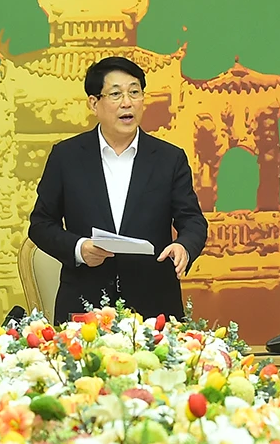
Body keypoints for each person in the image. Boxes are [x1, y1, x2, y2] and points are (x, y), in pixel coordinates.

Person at [27, 56, 208, 323]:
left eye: (135, 92)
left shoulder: (169, 159)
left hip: (154, 307)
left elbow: (192, 220)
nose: (127, 102)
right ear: (94, 103)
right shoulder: (66, 157)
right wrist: (79, 248)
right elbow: (41, 224)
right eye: (115, 94)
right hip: (84, 307)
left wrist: (184, 246)